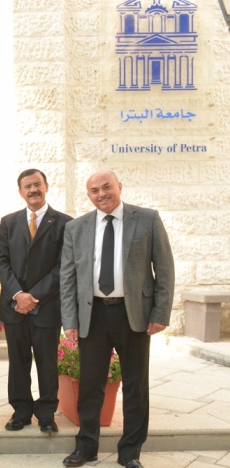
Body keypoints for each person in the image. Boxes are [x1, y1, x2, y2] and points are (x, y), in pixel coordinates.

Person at [61, 171, 174, 468]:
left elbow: (165, 269)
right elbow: (67, 278)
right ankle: (87, 447)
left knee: (136, 385)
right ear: (89, 195)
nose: (101, 194)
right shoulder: (76, 228)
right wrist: (70, 320)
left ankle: (130, 452)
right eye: (94, 190)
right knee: (90, 385)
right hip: (93, 314)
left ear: (119, 187)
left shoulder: (147, 219)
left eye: (107, 187)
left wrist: (160, 313)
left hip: (133, 314)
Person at [0, 169, 72, 434]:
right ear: (20, 192)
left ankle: (47, 413)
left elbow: (63, 267)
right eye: (27, 186)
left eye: (37, 184)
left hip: (46, 307)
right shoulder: (9, 222)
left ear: (46, 186)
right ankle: (21, 411)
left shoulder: (65, 223)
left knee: (47, 362)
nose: (33, 190)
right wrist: (18, 295)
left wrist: (33, 297)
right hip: (14, 306)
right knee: (17, 362)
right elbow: (0, 261)